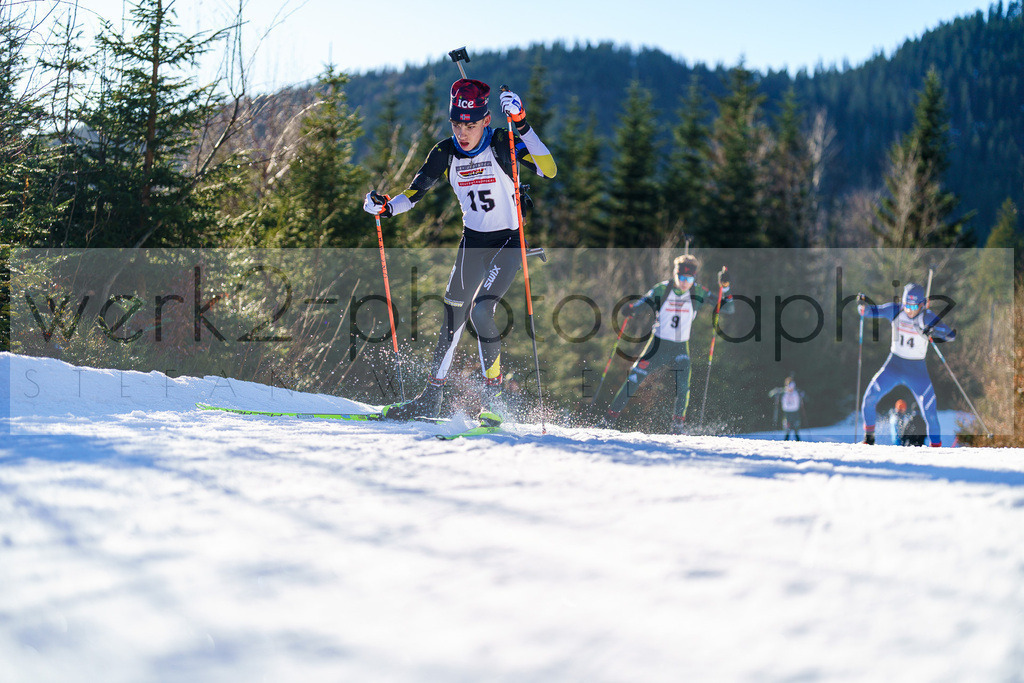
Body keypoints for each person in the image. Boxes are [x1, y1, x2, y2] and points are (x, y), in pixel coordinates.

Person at [363, 78, 556, 421]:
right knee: (452, 317)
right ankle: (430, 398)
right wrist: (385, 208)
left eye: (470, 124)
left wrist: (522, 123)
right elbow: (413, 193)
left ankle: (493, 399)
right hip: (473, 242)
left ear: (485, 120)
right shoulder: (445, 152)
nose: (463, 132)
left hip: (508, 242)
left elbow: (549, 170)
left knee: (482, 312)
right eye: (456, 123)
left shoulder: (502, 141)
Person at [603, 255, 734, 434]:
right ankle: (608, 420)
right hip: (657, 345)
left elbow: (727, 308)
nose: (685, 282)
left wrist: (725, 288)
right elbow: (642, 305)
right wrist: (630, 310)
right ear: (675, 274)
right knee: (634, 378)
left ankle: (677, 426)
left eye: (689, 279)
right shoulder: (662, 289)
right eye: (681, 277)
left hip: (680, 347)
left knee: (682, 385)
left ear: (694, 278)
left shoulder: (698, 292)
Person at [858, 283, 956, 446]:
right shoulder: (896, 310)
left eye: (913, 306)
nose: (909, 310)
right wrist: (863, 307)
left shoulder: (927, 317)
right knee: (868, 399)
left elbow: (950, 335)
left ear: (922, 304)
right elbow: (871, 311)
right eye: (906, 305)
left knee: (930, 413)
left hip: (917, 371)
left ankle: (937, 448)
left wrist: (934, 331)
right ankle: (869, 439)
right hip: (894, 365)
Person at [768, 376, 806, 441]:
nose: (791, 389)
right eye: (790, 386)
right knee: (787, 429)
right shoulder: (783, 392)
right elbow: (770, 394)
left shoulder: (797, 391)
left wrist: (803, 396)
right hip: (787, 413)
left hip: (795, 412)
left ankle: (798, 441)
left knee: (796, 427)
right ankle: (786, 441)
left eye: (793, 386)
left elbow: (805, 396)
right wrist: (775, 392)